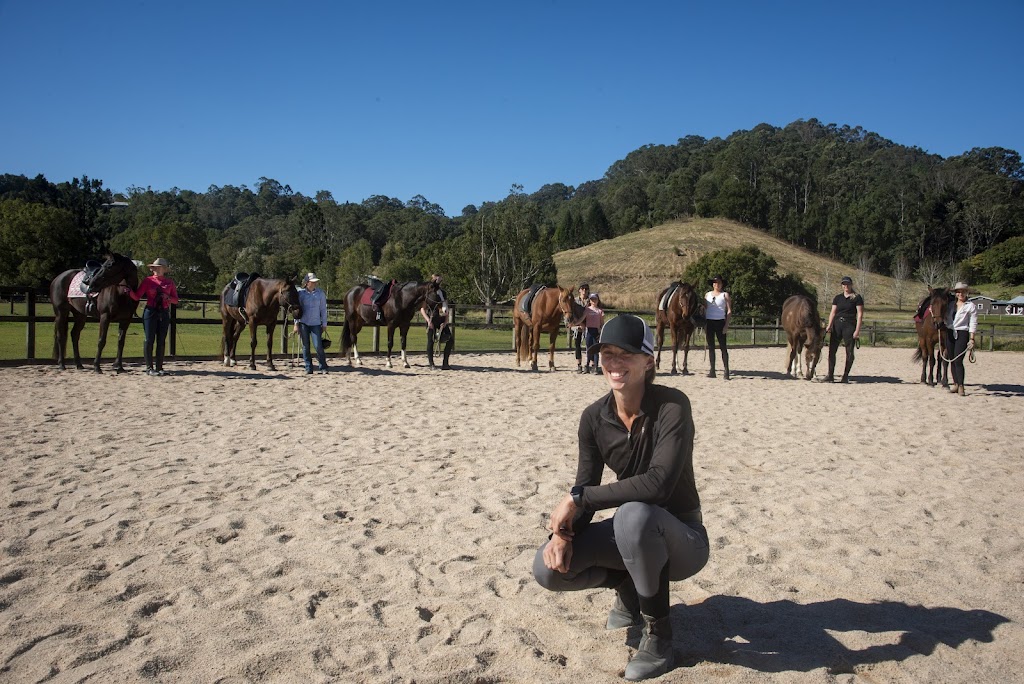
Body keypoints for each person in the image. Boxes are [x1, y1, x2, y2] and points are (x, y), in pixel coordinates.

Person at [532, 314, 708, 681]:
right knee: (547, 571)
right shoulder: (593, 418)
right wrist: (562, 535)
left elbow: (658, 485)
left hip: (683, 540)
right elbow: (586, 481)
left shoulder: (673, 407)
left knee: (634, 515)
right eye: (606, 353)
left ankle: (659, 636)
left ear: (648, 361)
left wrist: (579, 498)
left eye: (626, 354)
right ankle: (627, 587)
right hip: (634, 533)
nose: (614, 363)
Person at [130, 258, 179, 376]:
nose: (156, 270)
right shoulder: (147, 281)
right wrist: (128, 291)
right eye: (155, 268)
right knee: (149, 339)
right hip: (150, 312)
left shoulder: (169, 282)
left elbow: (176, 300)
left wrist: (167, 297)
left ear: (164, 269)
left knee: (161, 340)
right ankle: (149, 367)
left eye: (159, 267)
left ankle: (159, 366)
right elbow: (137, 296)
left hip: (164, 312)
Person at [823, 276, 865, 383]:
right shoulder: (838, 298)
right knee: (832, 350)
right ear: (842, 285)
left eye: (847, 284)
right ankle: (830, 375)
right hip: (837, 325)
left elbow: (860, 315)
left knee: (849, 352)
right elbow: (833, 312)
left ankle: (845, 376)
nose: (846, 286)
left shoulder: (856, 298)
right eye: (844, 284)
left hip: (849, 325)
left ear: (851, 285)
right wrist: (829, 325)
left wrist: (857, 330)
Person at [946, 282, 978, 396]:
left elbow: (973, 322)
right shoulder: (950, 305)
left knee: (958, 360)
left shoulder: (970, 306)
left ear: (966, 293)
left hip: (962, 333)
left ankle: (961, 385)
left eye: (962, 292)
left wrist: (972, 338)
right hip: (950, 332)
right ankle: (955, 383)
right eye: (958, 292)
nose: (960, 294)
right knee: (951, 359)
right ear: (955, 293)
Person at [293, 273, 329, 375]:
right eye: (313, 282)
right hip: (304, 323)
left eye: (315, 282)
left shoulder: (320, 293)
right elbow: (297, 310)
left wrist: (324, 323)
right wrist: (296, 324)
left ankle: (323, 366)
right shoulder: (301, 294)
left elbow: (323, 309)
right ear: (307, 283)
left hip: (316, 323)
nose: (315, 283)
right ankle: (308, 367)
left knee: (318, 346)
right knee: (305, 346)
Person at [420, 274, 453, 370]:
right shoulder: (428, 293)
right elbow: (422, 309)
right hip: (431, 318)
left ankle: (445, 363)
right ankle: (431, 363)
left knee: (450, 340)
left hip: (441, 319)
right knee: (430, 341)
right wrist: (428, 321)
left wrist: (446, 321)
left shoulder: (442, 292)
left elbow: (446, 307)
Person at [704, 276, 732, 379]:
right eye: (715, 283)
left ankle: (726, 370)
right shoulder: (707, 295)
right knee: (711, 347)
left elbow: (729, 311)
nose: (717, 285)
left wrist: (726, 325)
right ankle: (712, 370)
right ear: (713, 284)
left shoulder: (725, 295)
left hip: (720, 322)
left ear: (722, 284)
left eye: (719, 283)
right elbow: (705, 308)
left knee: (723, 347)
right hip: (709, 322)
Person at [583, 292, 605, 374]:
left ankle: (595, 366)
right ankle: (587, 365)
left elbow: (602, 323)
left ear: (598, 300)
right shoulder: (587, 309)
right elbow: (582, 318)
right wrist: (574, 323)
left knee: (596, 349)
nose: (594, 301)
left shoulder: (600, 311)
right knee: (588, 349)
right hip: (589, 331)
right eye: (592, 299)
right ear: (590, 300)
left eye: (595, 299)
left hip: (596, 331)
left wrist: (601, 332)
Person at [573, 283, 590, 373]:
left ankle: (588, 364)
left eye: (586, 289)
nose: (584, 291)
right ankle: (579, 365)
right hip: (577, 326)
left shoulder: (591, 301)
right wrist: (578, 324)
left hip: (589, 326)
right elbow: (572, 314)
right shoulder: (574, 301)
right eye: (582, 289)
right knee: (577, 345)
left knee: (589, 346)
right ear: (579, 290)